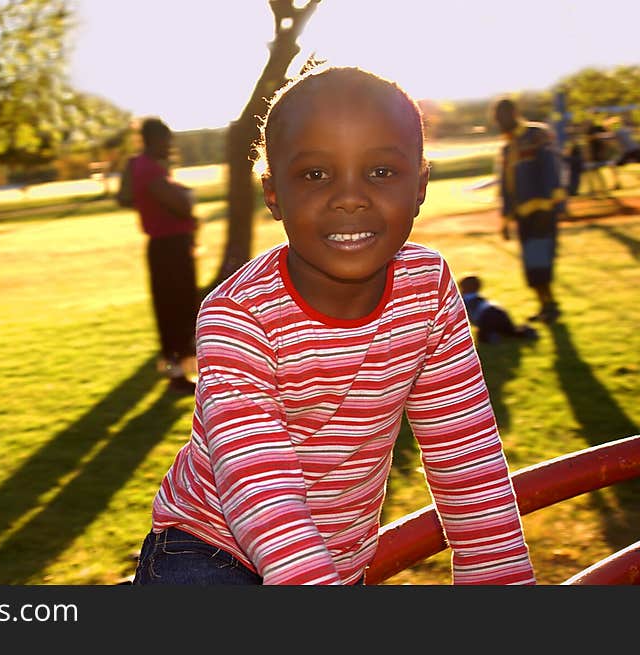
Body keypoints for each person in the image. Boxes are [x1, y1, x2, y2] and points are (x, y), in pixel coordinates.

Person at [132, 65, 536, 585]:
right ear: (273, 193)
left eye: (382, 172)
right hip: (209, 549)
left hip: (336, 558)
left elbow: (466, 451)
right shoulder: (238, 318)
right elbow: (259, 484)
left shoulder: (426, 287)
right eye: (316, 174)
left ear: (421, 184)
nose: (351, 197)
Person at [130, 117, 200, 395]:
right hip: (169, 248)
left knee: (176, 309)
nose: (170, 146)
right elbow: (181, 206)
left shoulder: (149, 168)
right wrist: (186, 197)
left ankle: (180, 370)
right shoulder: (149, 170)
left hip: (170, 246)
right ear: (153, 140)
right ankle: (178, 374)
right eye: (166, 140)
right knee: (175, 310)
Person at [494, 98, 566, 324]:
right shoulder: (507, 147)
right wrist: (505, 220)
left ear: (515, 112)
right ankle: (547, 305)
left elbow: (551, 167)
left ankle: (550, 305)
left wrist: (556, 200)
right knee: (531, 261)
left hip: (543, 210)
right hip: (523, 214)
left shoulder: (537, 135)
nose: (501, 122)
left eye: (504, 116)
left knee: (540, 258)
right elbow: (506, 184)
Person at [458, 275, 538, 344]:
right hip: (500, 311)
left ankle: (491, 336)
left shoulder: (463, 300)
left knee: (483, 335)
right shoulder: (481, 298)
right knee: (509, 331)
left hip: (486, 317)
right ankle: (525, 331)